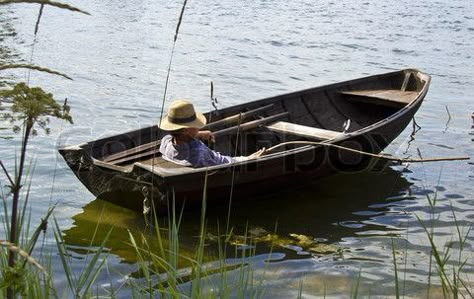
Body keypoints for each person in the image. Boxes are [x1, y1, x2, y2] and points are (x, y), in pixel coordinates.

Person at [158, 99, 265, 167]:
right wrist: (247, 159)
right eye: (195, 126)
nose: (199, 127)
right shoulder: (198, 153)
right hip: (224, 160)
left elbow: (168, 137)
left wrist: (198, 134)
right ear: (185, 130)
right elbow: (222, 162)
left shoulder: (165, 144)